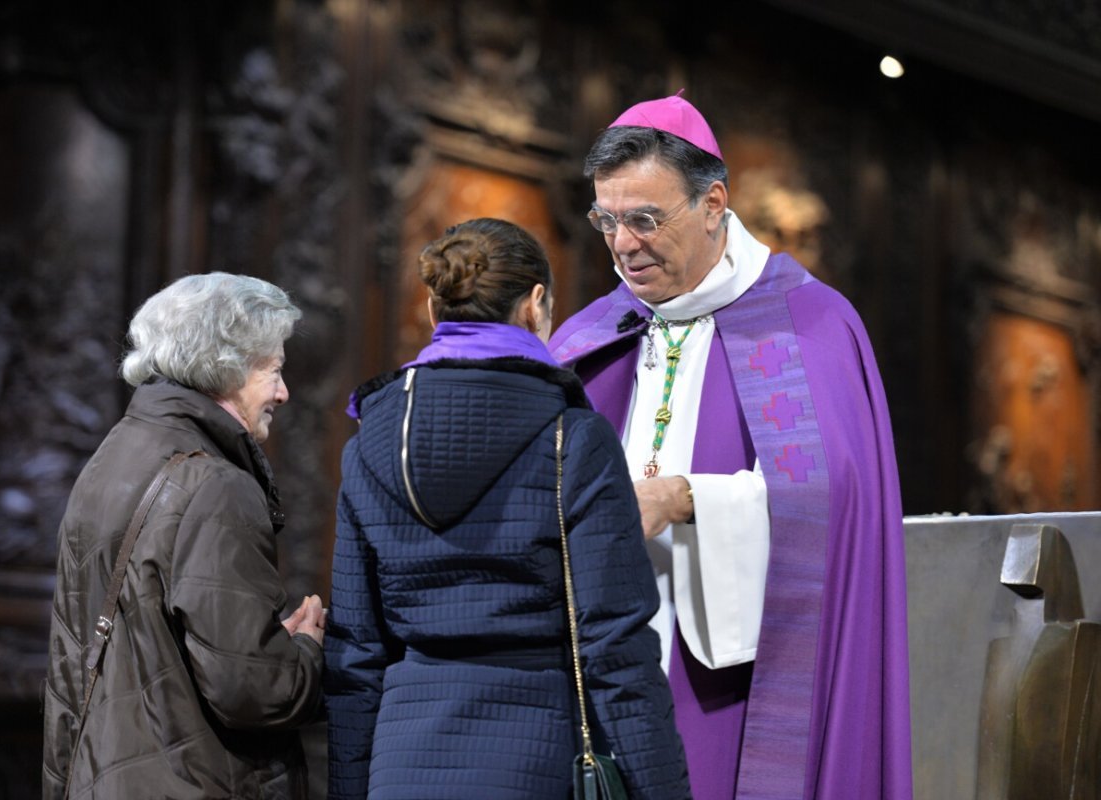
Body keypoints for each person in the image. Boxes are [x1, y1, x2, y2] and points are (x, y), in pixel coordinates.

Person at [548, 94, 912, 799]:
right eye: (607, 221)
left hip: (731, 676)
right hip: (595, 668)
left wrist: (686, 499)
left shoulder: (807, 324)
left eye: (645, 219)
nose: (623, 244)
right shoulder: (591, 334)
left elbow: (831, 506)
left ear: (714, 202)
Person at [325, 218, 690, 799]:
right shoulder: (574, 437)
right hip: (535, 754)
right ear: (535, 304)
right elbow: (616, 647)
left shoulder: (370, 441)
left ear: (431, 306)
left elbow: (354, 653)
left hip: (401, 761)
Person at [42, 273, 325, 799]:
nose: (283, 393)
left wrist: (254, 640)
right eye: (274, 370)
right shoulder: (215, 485)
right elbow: (254, 692)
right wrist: (304, 651)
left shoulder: (113, 457)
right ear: (226, 365)